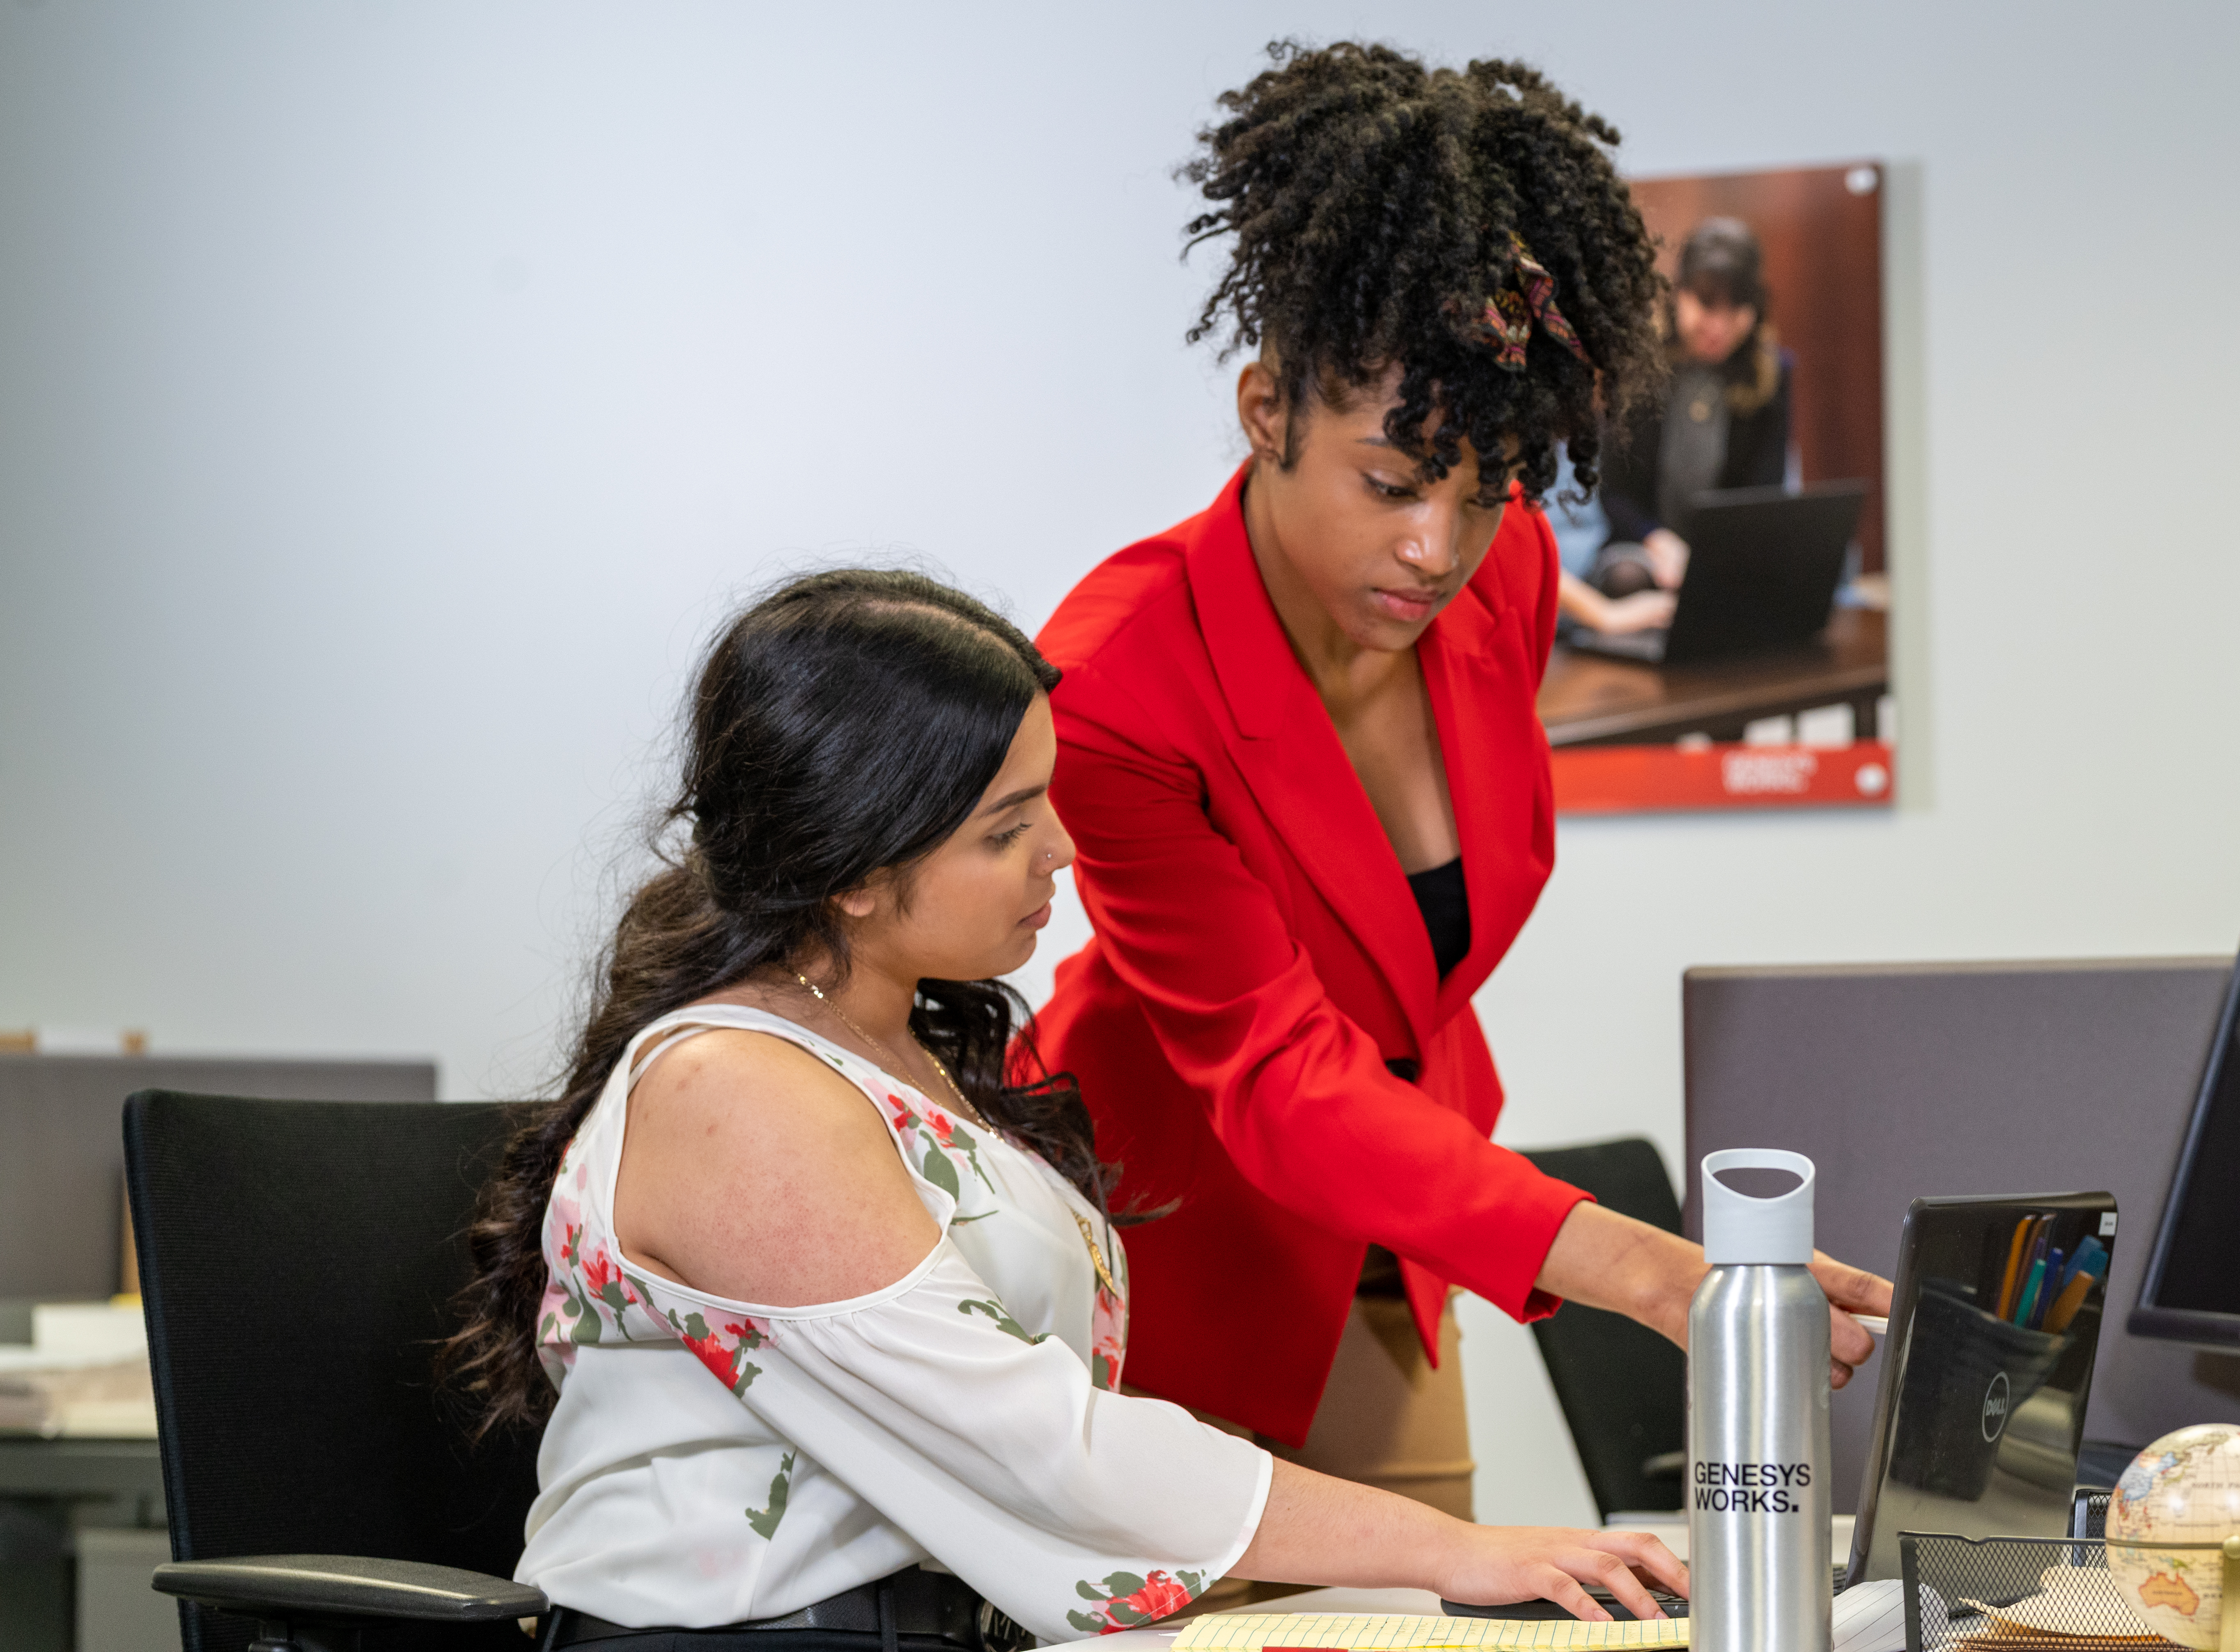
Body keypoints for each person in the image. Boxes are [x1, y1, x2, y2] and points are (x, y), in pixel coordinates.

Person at [444, 571, 1687, 1648]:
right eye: (1006, 826)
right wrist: (1448, 1549)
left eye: (1046, 798)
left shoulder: (896, 1045)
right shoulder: (734, 1092)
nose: (1061, 852)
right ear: (857, 872)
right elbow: (1041, 1443)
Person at [1029, 42, 1889, 1543]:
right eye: (1389, 479)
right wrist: (1646, 1265)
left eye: (1485, 482)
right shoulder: (1114, 682)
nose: (1437, 542)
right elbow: (1277, 1072)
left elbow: (1405, 997)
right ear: (1262, 407)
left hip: (1401, 1240)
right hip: (1166, 1261)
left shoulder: (1506, 576)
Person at [1591, 216, 1795, 602]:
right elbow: (1615, 492)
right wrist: (1660, 543)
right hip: (1643, 546)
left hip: (1731, 551)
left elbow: (1766, 492)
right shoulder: (1638, 366)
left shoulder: (1773, 374)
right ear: (1678, 294)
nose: (1718, 325)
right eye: (1705, 303)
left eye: (1736, 307)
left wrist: (1711, 555)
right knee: (1627, 580)